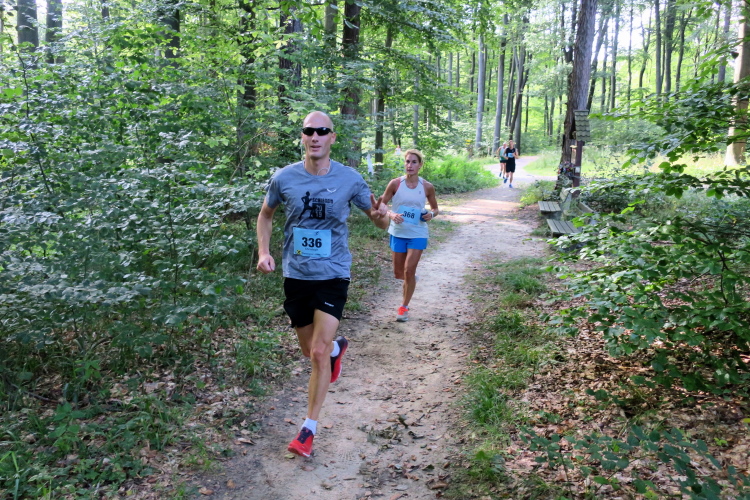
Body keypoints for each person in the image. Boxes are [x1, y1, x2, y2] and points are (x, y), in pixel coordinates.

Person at [256, 111, 389, 458]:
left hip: (333, 274)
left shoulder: (350, 179)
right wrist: (264, 252)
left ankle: (308, 430)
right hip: (297, 275)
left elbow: (378, 219)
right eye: (309, 131)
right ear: (302, 136)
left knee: (316, 351)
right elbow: (266, 215)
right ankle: (334, 351)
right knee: (310, 350)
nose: (315, 136)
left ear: (332, 137)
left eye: (322, 131)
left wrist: (381, 218)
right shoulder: (284, 178)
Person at [379, 149, 439, 322]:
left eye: (414, 162)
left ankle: (403, 307)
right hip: (398, 232)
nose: (410, 165)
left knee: (408, 270)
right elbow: (382, 205)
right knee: (399, 273)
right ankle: (410, 279)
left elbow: (435, 208)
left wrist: (431, 214)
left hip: (418, 233)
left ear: (420, 165)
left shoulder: (426, 186)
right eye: (407, 161)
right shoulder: (395, 184)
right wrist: (391, 214)